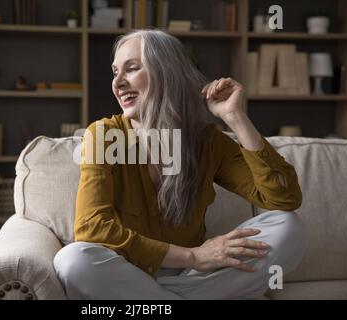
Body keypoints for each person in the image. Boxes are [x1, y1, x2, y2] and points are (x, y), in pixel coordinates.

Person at [53, 29, 307, 300]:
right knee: (74, 261)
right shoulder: (103, 136)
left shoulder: (206, 141)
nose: (118, 83)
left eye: (132, 69)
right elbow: (92, 228)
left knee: (288, 226)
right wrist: (193, 256)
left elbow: (284, 198)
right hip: (129, 272)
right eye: (115, 72)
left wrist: (235, 117)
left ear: (166, 72)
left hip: (185, 280)